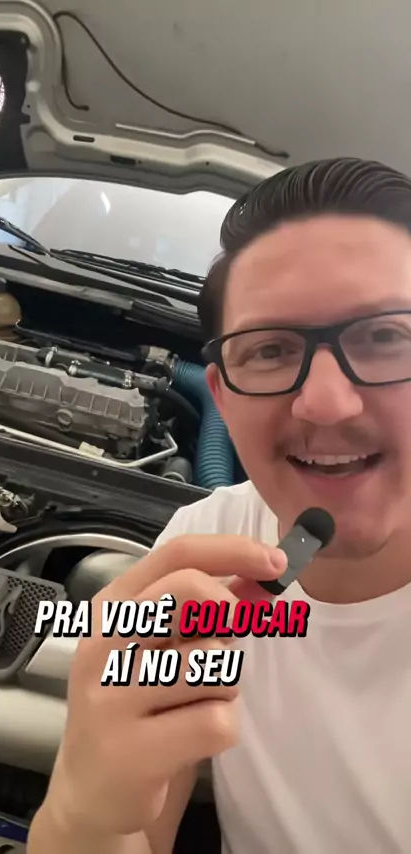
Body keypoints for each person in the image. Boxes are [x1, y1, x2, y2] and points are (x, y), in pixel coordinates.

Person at [28, 157, 411, 854]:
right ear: (223, 397)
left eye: (386, 336)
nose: (326, 402)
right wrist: (84, 814)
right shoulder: (212, 538)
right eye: (271, 350)